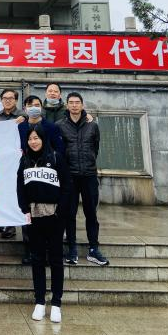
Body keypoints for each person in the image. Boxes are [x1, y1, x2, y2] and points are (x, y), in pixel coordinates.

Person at [17, 123, 71, 323]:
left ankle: (56, 303)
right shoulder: (24, 160)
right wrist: (24, 208)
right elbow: (20, 187)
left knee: (56, 260)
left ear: (43, 139)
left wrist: (61, 210)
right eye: (30, 139)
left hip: (54, 216)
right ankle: (39, 301)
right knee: (37, 259)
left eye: (36, 138)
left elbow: (67, 186)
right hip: (34, 216)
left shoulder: (56, 157)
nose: (33, 142)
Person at [57, 92, 109, 266]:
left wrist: (89, 163)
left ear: (82, 105)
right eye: (71, 102)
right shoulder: (60, 125)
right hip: (70, 177)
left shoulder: (92, 125)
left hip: (89, 175)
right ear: (67, 105)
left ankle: (93, 248)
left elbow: (96, 147)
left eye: (77, 102)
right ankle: (72, 249)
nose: (74, 105)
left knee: (91, 213)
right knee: (69, 214)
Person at [0, 88, 24, 239]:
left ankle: (11, 226)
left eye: (11, 98)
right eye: (5, 98)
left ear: (16, 100)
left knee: (15, 192)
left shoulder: (23, 116)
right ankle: (0, 221)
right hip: (1, 159)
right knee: (1, 191)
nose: (8, 101)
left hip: (17, 160)